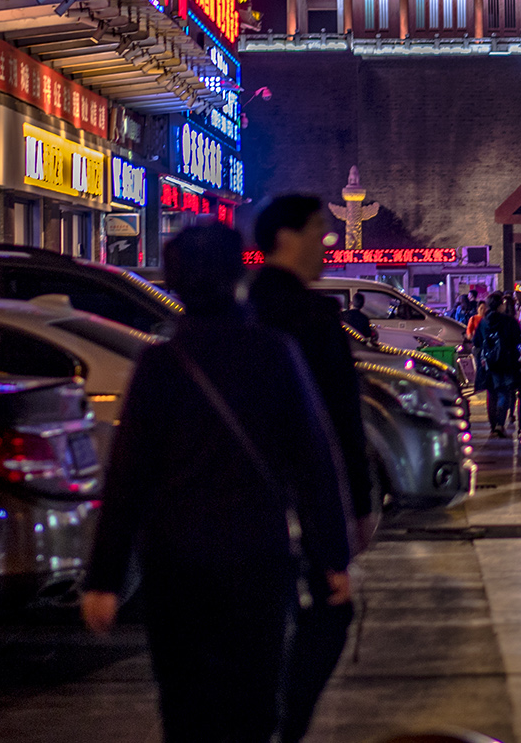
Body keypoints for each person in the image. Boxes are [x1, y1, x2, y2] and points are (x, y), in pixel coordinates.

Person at [83, 223, 352, 743]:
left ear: (175, 284)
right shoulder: (273, 353)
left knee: (184, 704)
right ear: (239, 275)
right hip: (256, 554)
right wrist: (331, 557)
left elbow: (128, 477)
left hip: (176, 560)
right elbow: (314, 462)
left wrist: (105, 578)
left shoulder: (160, 364)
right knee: (253, 699)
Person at [246, 196, 373, 742]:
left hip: (241, 507)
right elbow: (339, 422)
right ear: (286, 237)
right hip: (301, 502)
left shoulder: (240, 309)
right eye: (320, 232)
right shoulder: (312, 320)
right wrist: (358, 505)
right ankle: (284, 727)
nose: (328, 244)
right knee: (328, 610)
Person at [477, 292, 521, 438]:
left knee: (491, 394)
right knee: (504, 392)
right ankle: (500, 424)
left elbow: (477, 342)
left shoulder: (483, 322)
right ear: (500, 305)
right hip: (506, 362)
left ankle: (493, 427)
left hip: (489, 363)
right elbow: (519, 340)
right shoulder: (509, 321)